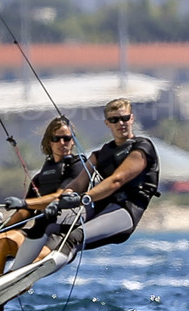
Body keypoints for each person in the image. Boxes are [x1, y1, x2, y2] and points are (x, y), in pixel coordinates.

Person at [0, 116, 92, 279]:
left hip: (61, 233)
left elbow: (60, 196)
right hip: (38, 232)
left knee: (36, 260)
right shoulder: (40, 177)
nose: (62, 143)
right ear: (49, 142)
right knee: (0, 241)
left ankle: (8, 283)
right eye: (57, 139)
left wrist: (23, 202)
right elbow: (24, 214)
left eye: (67, 138)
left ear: (73, 141)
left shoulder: (79, 168)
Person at [53, 98, 160, 250]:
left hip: (125, 211)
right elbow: (78, 183)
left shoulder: (142, 147)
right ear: (107, 123)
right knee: (48, 225)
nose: (120, 123)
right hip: (98, 209)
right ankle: (29, 261)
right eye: (114, 120)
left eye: (124, 118)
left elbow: (117, 180)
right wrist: (64, 197)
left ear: (131, 118)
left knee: (74, 236)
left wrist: (85, 197)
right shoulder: (99, 155)